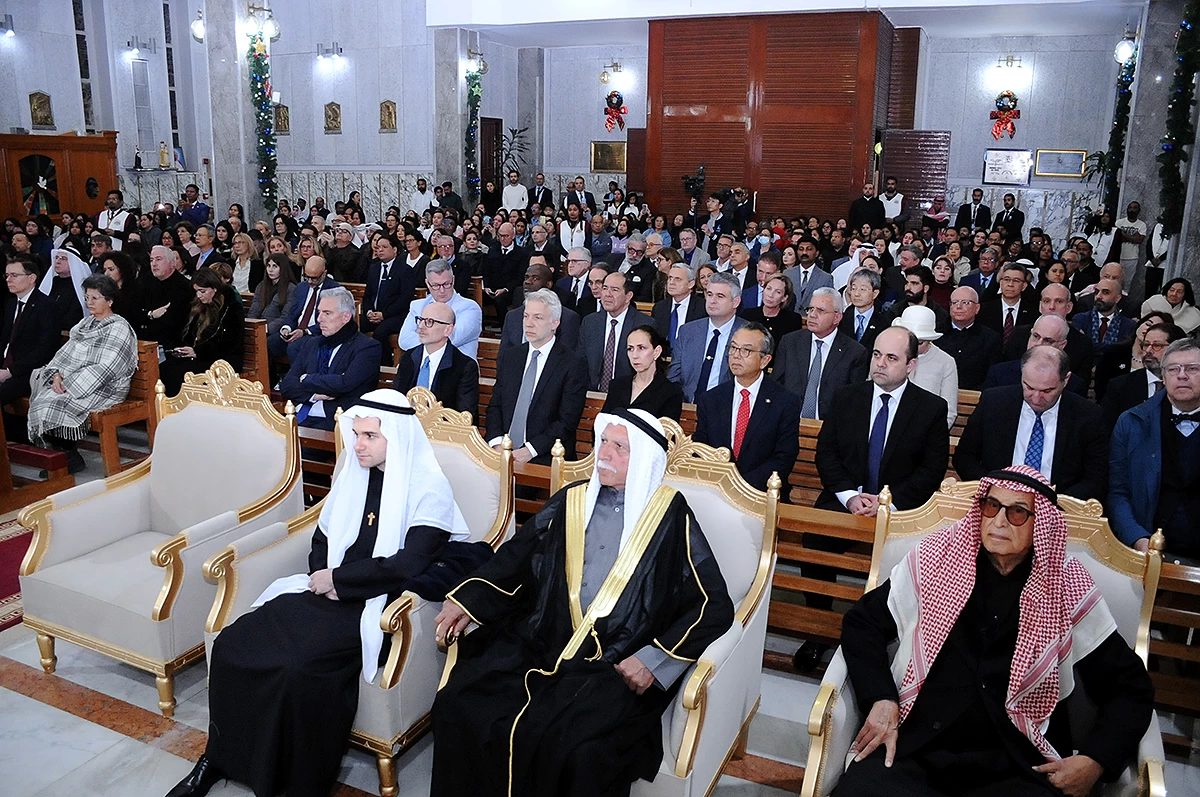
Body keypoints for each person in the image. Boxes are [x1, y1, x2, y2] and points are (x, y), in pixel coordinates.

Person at [167, 390, 476, 797]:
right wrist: (322, 575)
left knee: (295, 671)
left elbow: (408, 565)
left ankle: (285, 782)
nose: (358, 444)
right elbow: (321, 538)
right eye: (356, 434)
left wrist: (340, 582)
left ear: (397, 439)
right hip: (322, 594)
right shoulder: (354, 472)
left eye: (369, 436)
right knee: (232, 645)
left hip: (372, 606)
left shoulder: (427, 488)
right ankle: (218, 758)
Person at [431, 409, 734, 797]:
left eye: (619, 447)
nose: (604, 453)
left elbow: (713, 604)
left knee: (578, 749)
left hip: (613, 665)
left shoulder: (671, 516)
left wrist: (654, 661)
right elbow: (516, 558)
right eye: (603, 441)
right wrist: (467, 598)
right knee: (459, 703)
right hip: (542, 642)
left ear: (643, 459)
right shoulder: (572, 500)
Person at [832, 465, 1154, 797]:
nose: (999, 521)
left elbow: (1129, 687)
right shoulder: (938, 558)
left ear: (1040, 525)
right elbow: (863, 623)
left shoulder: (1065, 586)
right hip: (918, 750)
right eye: (991, 506)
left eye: (1017, 512)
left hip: (1016, 765)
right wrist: (881, 698)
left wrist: (1095, 760)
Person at [797, 327, 950, 671]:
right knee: (814, 539)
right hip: (845, 501)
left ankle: (885, 636)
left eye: (892, 358)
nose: (880, 364)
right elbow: (827, 454)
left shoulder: (930, 408)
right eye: (877, 355)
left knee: (912, 558)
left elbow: (931, 471)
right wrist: (851, 497)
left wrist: (887, 503)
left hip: (901, 510)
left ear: (911, 365)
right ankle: (818, 628)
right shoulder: (847, 397)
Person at [955, 346, 1108, 502]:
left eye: (1047, 391)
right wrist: (994, 490)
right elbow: (964, 457)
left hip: (1058, 507)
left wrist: (1055, 503)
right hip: (996, 501)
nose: (1035, 398)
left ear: (1066, 380)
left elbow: (1096, 477)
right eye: (1029, 387)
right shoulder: (993, 402)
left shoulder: (1089, 416)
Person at [27, 275, 137, 472]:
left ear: (110, 301)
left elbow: (108, 367)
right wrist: (57, 376)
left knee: (57, 402)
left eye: (95, 298)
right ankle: (63, 455)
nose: (90, 303)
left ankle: (68, 455)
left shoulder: (119, 327)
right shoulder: (84, 325)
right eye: (87, 298)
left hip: (106, 387)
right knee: (43, 397)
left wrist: (69, 384)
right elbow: (66, 355)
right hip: (75, 381)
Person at [1109, 339, 1200, 559]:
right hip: (1148, 550)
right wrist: (1137, 539)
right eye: (1173, 369)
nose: (1182, 375)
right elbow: (1118, 492)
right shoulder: (1131, 422)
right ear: (1163, 376)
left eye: (1192, 369)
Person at [485, 288, 587, 464]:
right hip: (502, 451)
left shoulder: (572, 363)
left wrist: (529, 451)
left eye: (537, 317)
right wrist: (496, 443)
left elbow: (566, 421)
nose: (528, 323)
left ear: (555, 323)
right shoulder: (511, 356)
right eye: (526, 316)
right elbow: (495, 405)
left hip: (546, 455)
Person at [695, 323, 801, 491]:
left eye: (746, 351)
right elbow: (701, 448)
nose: (736, 356)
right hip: (715, 490)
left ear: (765, 360)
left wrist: (740, 487)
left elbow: (784, 457)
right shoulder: (711, 399)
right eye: (733, 348)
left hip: (763, 492)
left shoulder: (785, 402)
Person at [280, 288, 382, 430]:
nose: (319, 319)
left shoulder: (367, 347)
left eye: (327, 313)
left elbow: (345, 384)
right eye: (319, 312)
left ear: (345, 317)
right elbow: (287, 385)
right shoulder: (313, 343)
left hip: (335, 422)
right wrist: (314, 395)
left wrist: (306, 379)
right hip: (299, 416)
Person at [773, 287, 867, 420]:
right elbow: (776, 386)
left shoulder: (855, 353)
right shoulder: (790, 342)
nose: (812, 315)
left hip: (830, 428)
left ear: (837, 317)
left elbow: (852, 402)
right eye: (810, 309)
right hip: (789, 423)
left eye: (820, 311)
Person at [0, 256, 65, 440]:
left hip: (30, 372)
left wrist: (10, 371)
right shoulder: (11, 303)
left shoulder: (47, 306)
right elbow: (5, 340)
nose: (8, 280)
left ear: (31, 278)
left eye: (14, 275)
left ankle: (24, 437)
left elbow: (44, 350)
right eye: (6, 275)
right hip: (7, 367)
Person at [159, 268, 245, 396]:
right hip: (199, 356)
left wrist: (198, 352)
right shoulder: (198, 306)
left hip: (222, 359)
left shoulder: (231, 308)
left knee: (181, 374)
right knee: (164, 368)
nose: (199, 296)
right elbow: (186, 333)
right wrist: (182, 349)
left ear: (214, 289)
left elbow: (230, 342)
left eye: (202, 291)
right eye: (197, 292)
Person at [392, 300, 480, 419]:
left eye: (430, 322)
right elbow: (396, 400)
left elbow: (465, 416)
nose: (421, 327)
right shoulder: (409, 358)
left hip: (443, 433)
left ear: (448, 330)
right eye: (421, 320)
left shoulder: (464, 366)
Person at [668, 272, 747, 403]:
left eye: (720, 296)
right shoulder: (688, 331)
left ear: (736, 302)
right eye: (709, 294)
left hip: (727, 409)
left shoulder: (748, 334)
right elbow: (673, 377)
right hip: (687, 406)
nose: (712, 301)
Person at [1102, 321, 1186, 430]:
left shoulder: (1190, 384)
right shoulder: (1121, 386)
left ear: (1176, 349)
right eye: (1146, 345)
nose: (1148, 351)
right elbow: (1107, 429)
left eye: (1157, 345)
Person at [579, 271, 653, 392]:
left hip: (629, 395)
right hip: (591, 394)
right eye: (605, 288)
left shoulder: (644, 325)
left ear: (628, 296)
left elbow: (646, 370)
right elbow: (581, 363)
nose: (607, 294)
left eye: (614, 290)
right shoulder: (590, 322)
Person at [983, 314, 1088, 396]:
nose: (1038, 343)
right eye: (1036, 336)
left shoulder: (1073, 385)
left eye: (1048, 340)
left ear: (1062, 345)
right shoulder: (999, 374)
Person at [892, 306, 958, 429]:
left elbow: (949, 412)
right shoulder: (888, 355)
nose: (913, 347)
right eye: (909, 340)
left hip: (926, 432)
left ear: (930, 340)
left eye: (920, 342)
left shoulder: (946, 362)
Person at [601, 324, 684, 422]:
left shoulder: (671, 392)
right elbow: (601, 423)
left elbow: (665, 433)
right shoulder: (618, 385)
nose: (634, 355)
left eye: (641, 348)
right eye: (630, 349)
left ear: (656, 352)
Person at [359, 232, 416, 366]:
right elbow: (368, 295)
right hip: (373, 314)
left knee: (381, 332)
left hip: (395, 315)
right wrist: (368, 312)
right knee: (355, 324)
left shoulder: (405, 270)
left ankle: (385, 366)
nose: (380, 250)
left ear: (394, 250)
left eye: (384, 247)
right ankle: (361, 362)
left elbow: (404, 299)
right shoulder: (374, 268)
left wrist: (384, 314)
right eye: (378, 247)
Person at [500, 260, 580, 353]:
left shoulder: (567, 318)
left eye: (535, 278)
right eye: (526, 277)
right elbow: (503, 356)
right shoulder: (512, 316)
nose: (528, 282)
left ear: (548, 284)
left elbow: (566, 357)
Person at [271, 256, 340, 358]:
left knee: (294, 347)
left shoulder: (334, 290)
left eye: (314, 278)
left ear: (324, 273)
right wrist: (287, 328)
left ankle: (298, 374)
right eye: (306, 277)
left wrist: (305, 331)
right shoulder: (301, 287)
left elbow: (331, 320)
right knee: (269, 343)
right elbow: (292, 313)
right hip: (296, 330)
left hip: (317, 333)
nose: (310, 281)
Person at [740, 272, 804, 360]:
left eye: (778, 292)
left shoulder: (792, 320)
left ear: (784, 298)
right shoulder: (747, 315)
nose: (771, 295)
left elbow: (791, 352)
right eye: (768, 289)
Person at [979, 262, 1035, 346]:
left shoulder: (1032, 312)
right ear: (1001, 283)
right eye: (1006, 279)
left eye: (1016, 280)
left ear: (1024, 286)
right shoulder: (984, 310)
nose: (1010, 284)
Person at [651, 262, 706, 348]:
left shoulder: (702, 308)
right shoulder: (659, 308)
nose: (671, 282)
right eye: (670, 278)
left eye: (678, 279)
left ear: (691, 284)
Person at [839, 268, 894, 351]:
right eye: (853, 288)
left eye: (863, 289)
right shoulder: (841, 319)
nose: (856, 294)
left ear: (875, 293)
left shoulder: (884, 323)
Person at [248, 253, 299, 342]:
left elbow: (286, 316)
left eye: (275, 266)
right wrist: (251, 326)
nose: (270, 270)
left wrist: (266, 328)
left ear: (282, 268)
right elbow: (254, 310)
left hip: (276, 331)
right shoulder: (261, 286)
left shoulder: (291, 288)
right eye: (268, 266)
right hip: (257, 329)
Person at [482, 222, 526, 320]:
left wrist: (505, 289)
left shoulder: (521, 253)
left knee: (500, 301)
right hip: (492, 289)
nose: (503, 239)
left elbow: (520, 277)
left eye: (506, 236)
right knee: (476, 299)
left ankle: (504, 330)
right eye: (500, 236)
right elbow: (486, 271)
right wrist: (487, 287)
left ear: (513, 236)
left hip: (510, 290)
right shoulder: (493, 250)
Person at [39, 247, 90, 331]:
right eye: (56, 258)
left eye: (63, 259)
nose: (58, 261)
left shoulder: (80, 286)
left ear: (74, 263)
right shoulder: (53, 282)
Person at [782, 236, 833, 314]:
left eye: (809, 249)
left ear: (816, 253)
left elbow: (828, 305)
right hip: (789, 320)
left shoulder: (826, 278)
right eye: (801, 249)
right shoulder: (787, 274)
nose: (804, 253)